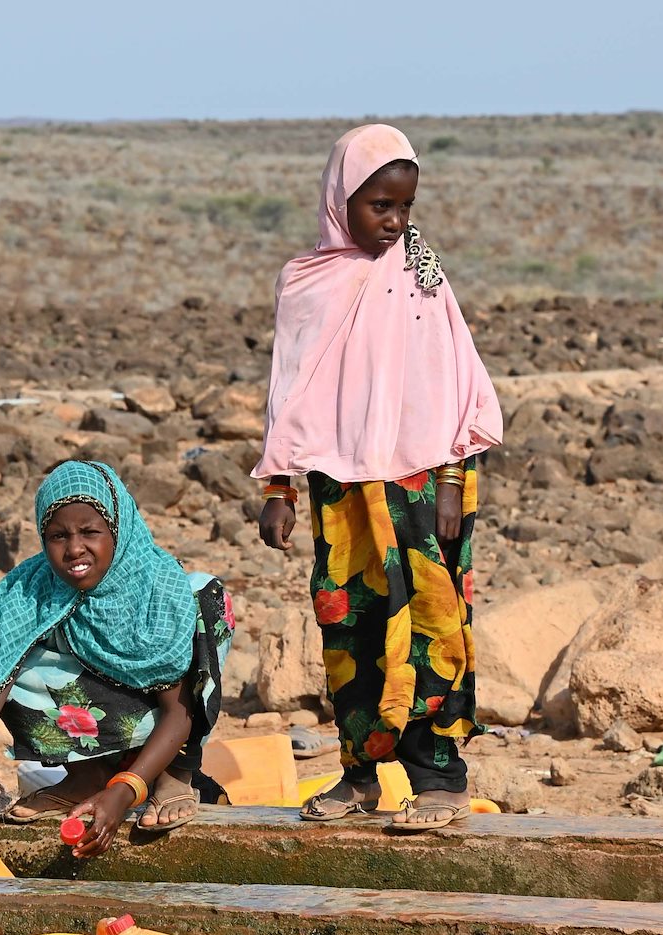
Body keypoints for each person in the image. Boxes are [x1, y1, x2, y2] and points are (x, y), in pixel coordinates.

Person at [253, 124, 502, 833]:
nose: (394, 221)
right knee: (350, 623)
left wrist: (450, 480)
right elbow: (288, 386)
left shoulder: (420, 273)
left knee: (428, 625)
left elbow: (450, 377)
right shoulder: (305, 281)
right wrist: (279, 485)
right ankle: (361, 775)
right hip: (342, 486)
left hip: (421, 480)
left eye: (405, 207)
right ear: (341, 201)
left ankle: (439, 779)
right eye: (379, 206)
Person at [0, 460, 233, 864]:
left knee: (207, 598)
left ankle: (173, 775)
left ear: (118, 530)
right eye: (58, 536)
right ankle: (86, 777)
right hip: (96, 725)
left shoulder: (156, 590)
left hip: (164, 725)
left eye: (90, 532)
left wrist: (123, 792)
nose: (74, 549)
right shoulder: (31, 594)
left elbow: (178, 713)